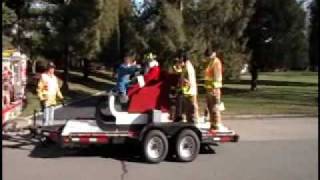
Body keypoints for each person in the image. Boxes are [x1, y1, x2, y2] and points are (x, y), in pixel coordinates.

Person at [203, 50, 229, 131]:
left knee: (215, 108)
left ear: (213, 53)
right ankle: (212, 124)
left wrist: (215, 88)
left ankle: (217, 125)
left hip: (214, 89)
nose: (207, 57)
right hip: (209, 88)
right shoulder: (211, 62)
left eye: (209, 55)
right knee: (210, 108)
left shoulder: (216, 62)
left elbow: (217, 77)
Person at [172, 52, 200, 122]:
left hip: (190, 93)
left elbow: (188, 82)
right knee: (188, 111)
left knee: (191, 110)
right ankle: (190, 122)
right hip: (188, 93)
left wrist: (182, 85)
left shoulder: (188, 68)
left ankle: (193, 124)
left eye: (180, 59)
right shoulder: (185, 66)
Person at [37, 62, 64, 126]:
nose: (52, 70)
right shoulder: (43, 76)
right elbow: (39, 88)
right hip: (46, 99)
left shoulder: (54, 78)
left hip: (52, 99)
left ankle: (50, 130)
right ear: (48, 69)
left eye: (53, 68)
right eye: (50, 68)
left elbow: (57, 89)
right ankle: (45, 129)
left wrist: (61, 97)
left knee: (51, 117)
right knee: (46, 117)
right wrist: (41, 98)